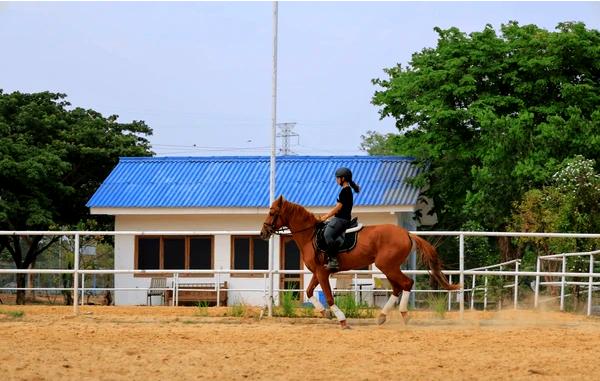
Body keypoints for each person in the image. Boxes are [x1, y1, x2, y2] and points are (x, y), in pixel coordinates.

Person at [319, 167, 360, 270]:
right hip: (340, 219)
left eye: (337, 178)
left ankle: (333, 261)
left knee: (327, 234)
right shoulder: (345, 190)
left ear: (343, 179)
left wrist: (325, 216)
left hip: (341, 220)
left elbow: (338, 208)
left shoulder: (345, 191)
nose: (336, 180)